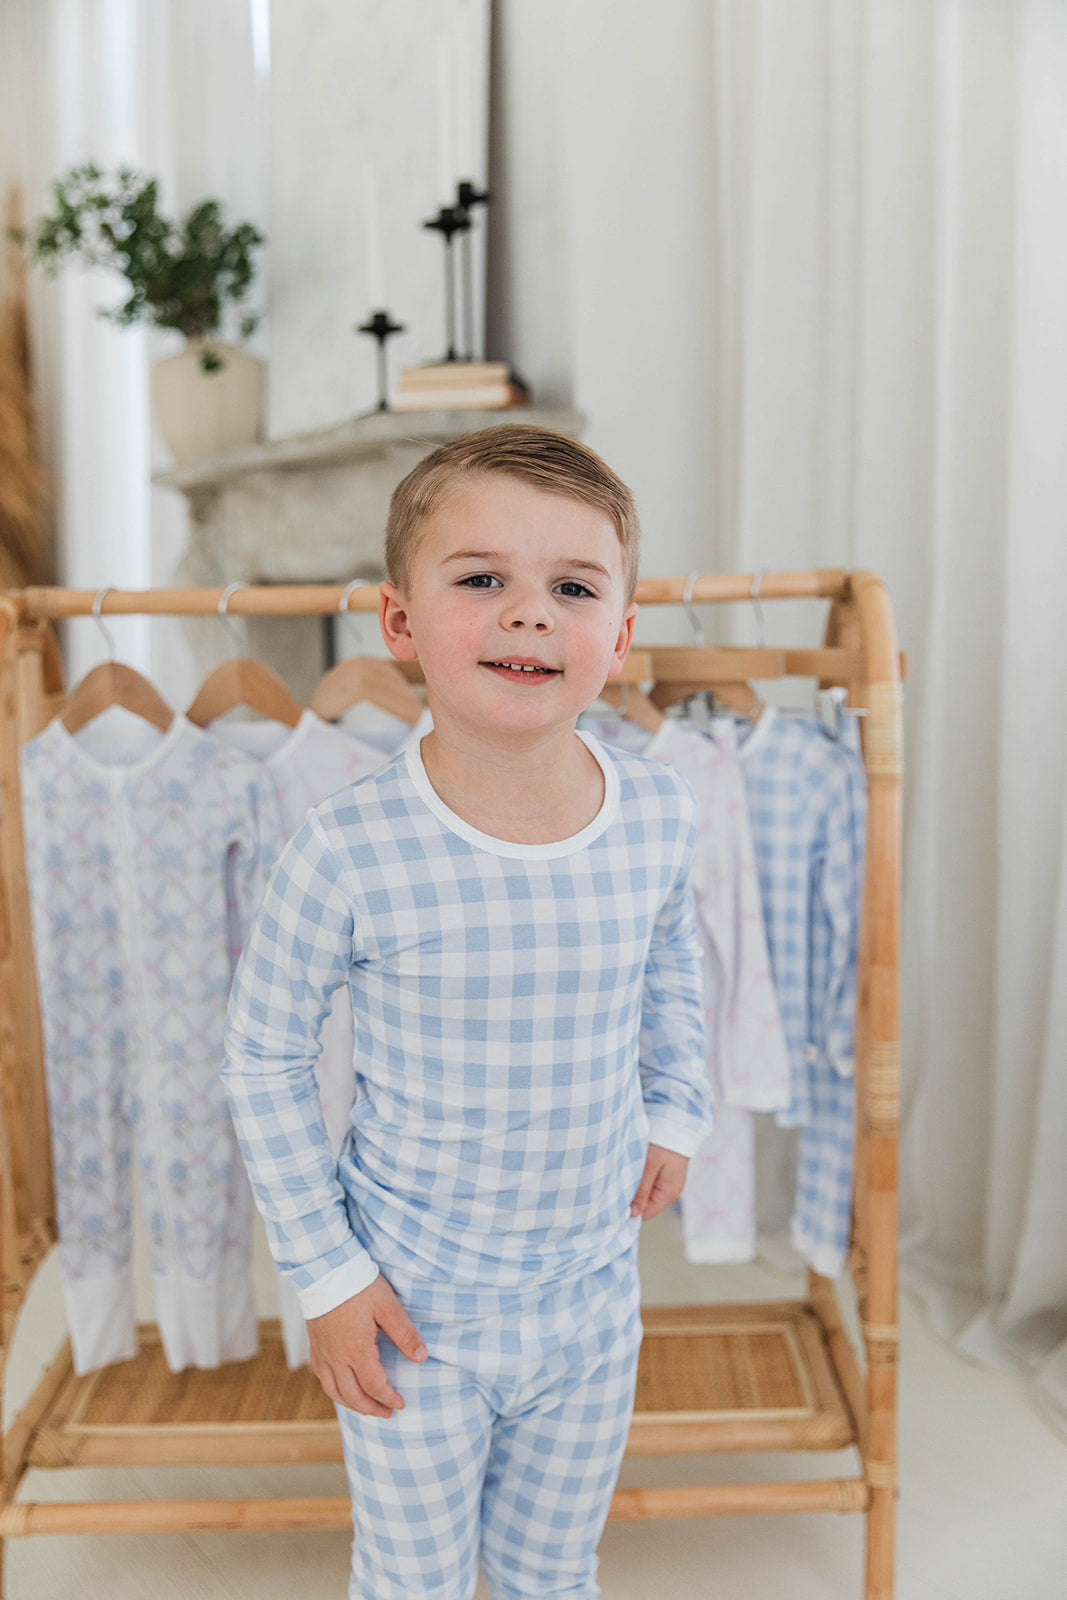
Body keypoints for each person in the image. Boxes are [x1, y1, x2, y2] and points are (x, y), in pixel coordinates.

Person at [222, 424, 712, 1600]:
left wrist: (676, 1105)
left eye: (572, 587)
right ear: (398, 623)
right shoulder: (346, 846)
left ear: (620, 635)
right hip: (411, 1310)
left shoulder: (655, 814)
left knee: (554, 1569)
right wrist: (329, 1278)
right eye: (481, 579)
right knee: (415, 1579)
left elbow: (670, 960)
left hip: (591, 1302)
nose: (528, 614)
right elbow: (260, 1055)